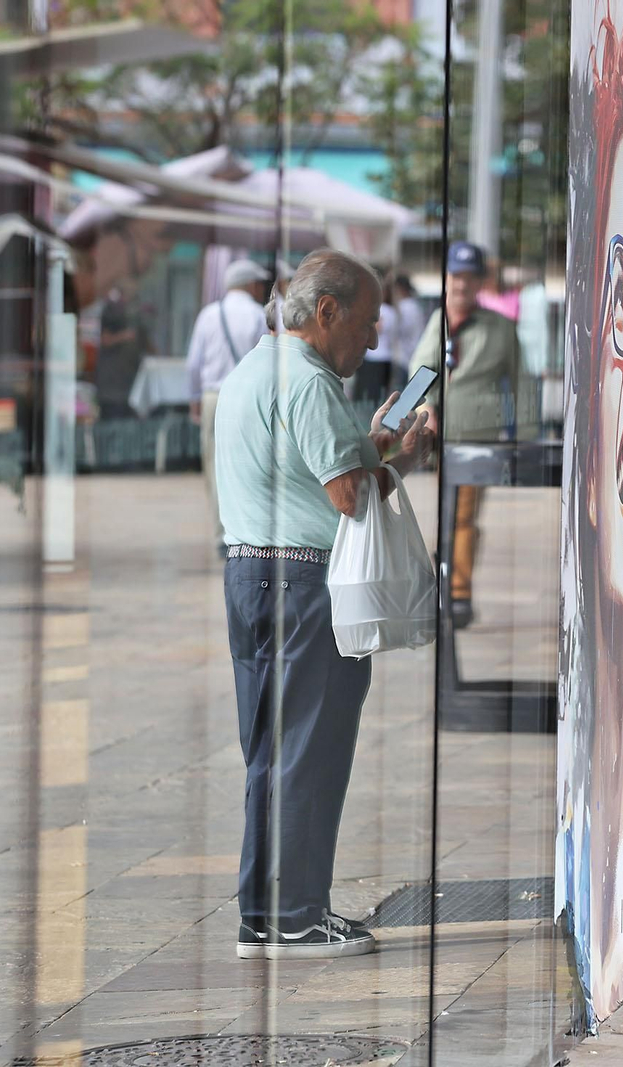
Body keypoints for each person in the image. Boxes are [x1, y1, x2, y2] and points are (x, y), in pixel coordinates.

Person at [215, 249, 436, 961]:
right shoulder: (307, 380)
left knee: (273, 754)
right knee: (309, 751)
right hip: (301, 584)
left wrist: (370, 442)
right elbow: (346, 495)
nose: (373, 339)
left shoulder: (255, 369)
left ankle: (270, 910)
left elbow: (314, 469)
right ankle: (294, 914)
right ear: (327, 311)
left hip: (252, 573)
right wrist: (400, 459)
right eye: (368, 322)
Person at [409, 240, 524, 629]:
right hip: (438, 436)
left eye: (469, 278)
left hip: (477, 434)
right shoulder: (437, 320)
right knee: (448, 512)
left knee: (461, 514)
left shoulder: (500, 328)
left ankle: (457, 592)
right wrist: (420, 407)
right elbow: (421, 368)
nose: (461, 285)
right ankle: (445, 586)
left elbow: (521, 382)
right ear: (446, 279)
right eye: (456, 277)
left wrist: (523, 438)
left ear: (481, 282)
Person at [187, 258, 271, 554]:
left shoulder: (208, 315)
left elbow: (194, 363)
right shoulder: (258, 315)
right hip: (248, 395)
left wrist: (195, 400)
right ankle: (245, 530)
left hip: (213, 396)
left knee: (213, 463)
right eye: (259, 283)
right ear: (249, 284)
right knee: (250, 461)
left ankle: (221, 533)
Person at [95, 279, 150, 421]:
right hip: (111, 386)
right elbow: (105, 340)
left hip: (129, 383)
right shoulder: (111, 311)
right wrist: (124, 336)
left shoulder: (135, 315)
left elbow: (146, 342)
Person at [353, 277, 400, 403]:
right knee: (380, 395)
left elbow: (377, 329)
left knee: (368, 396)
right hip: (386, 357)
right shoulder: (394, 311)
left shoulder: (381, 310)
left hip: (374, 358)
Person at [391, 275, 425, 371]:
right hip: (413, 353)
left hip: (405, 356)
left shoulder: (404, 307)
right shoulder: (415, 305)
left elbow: (400, 330)